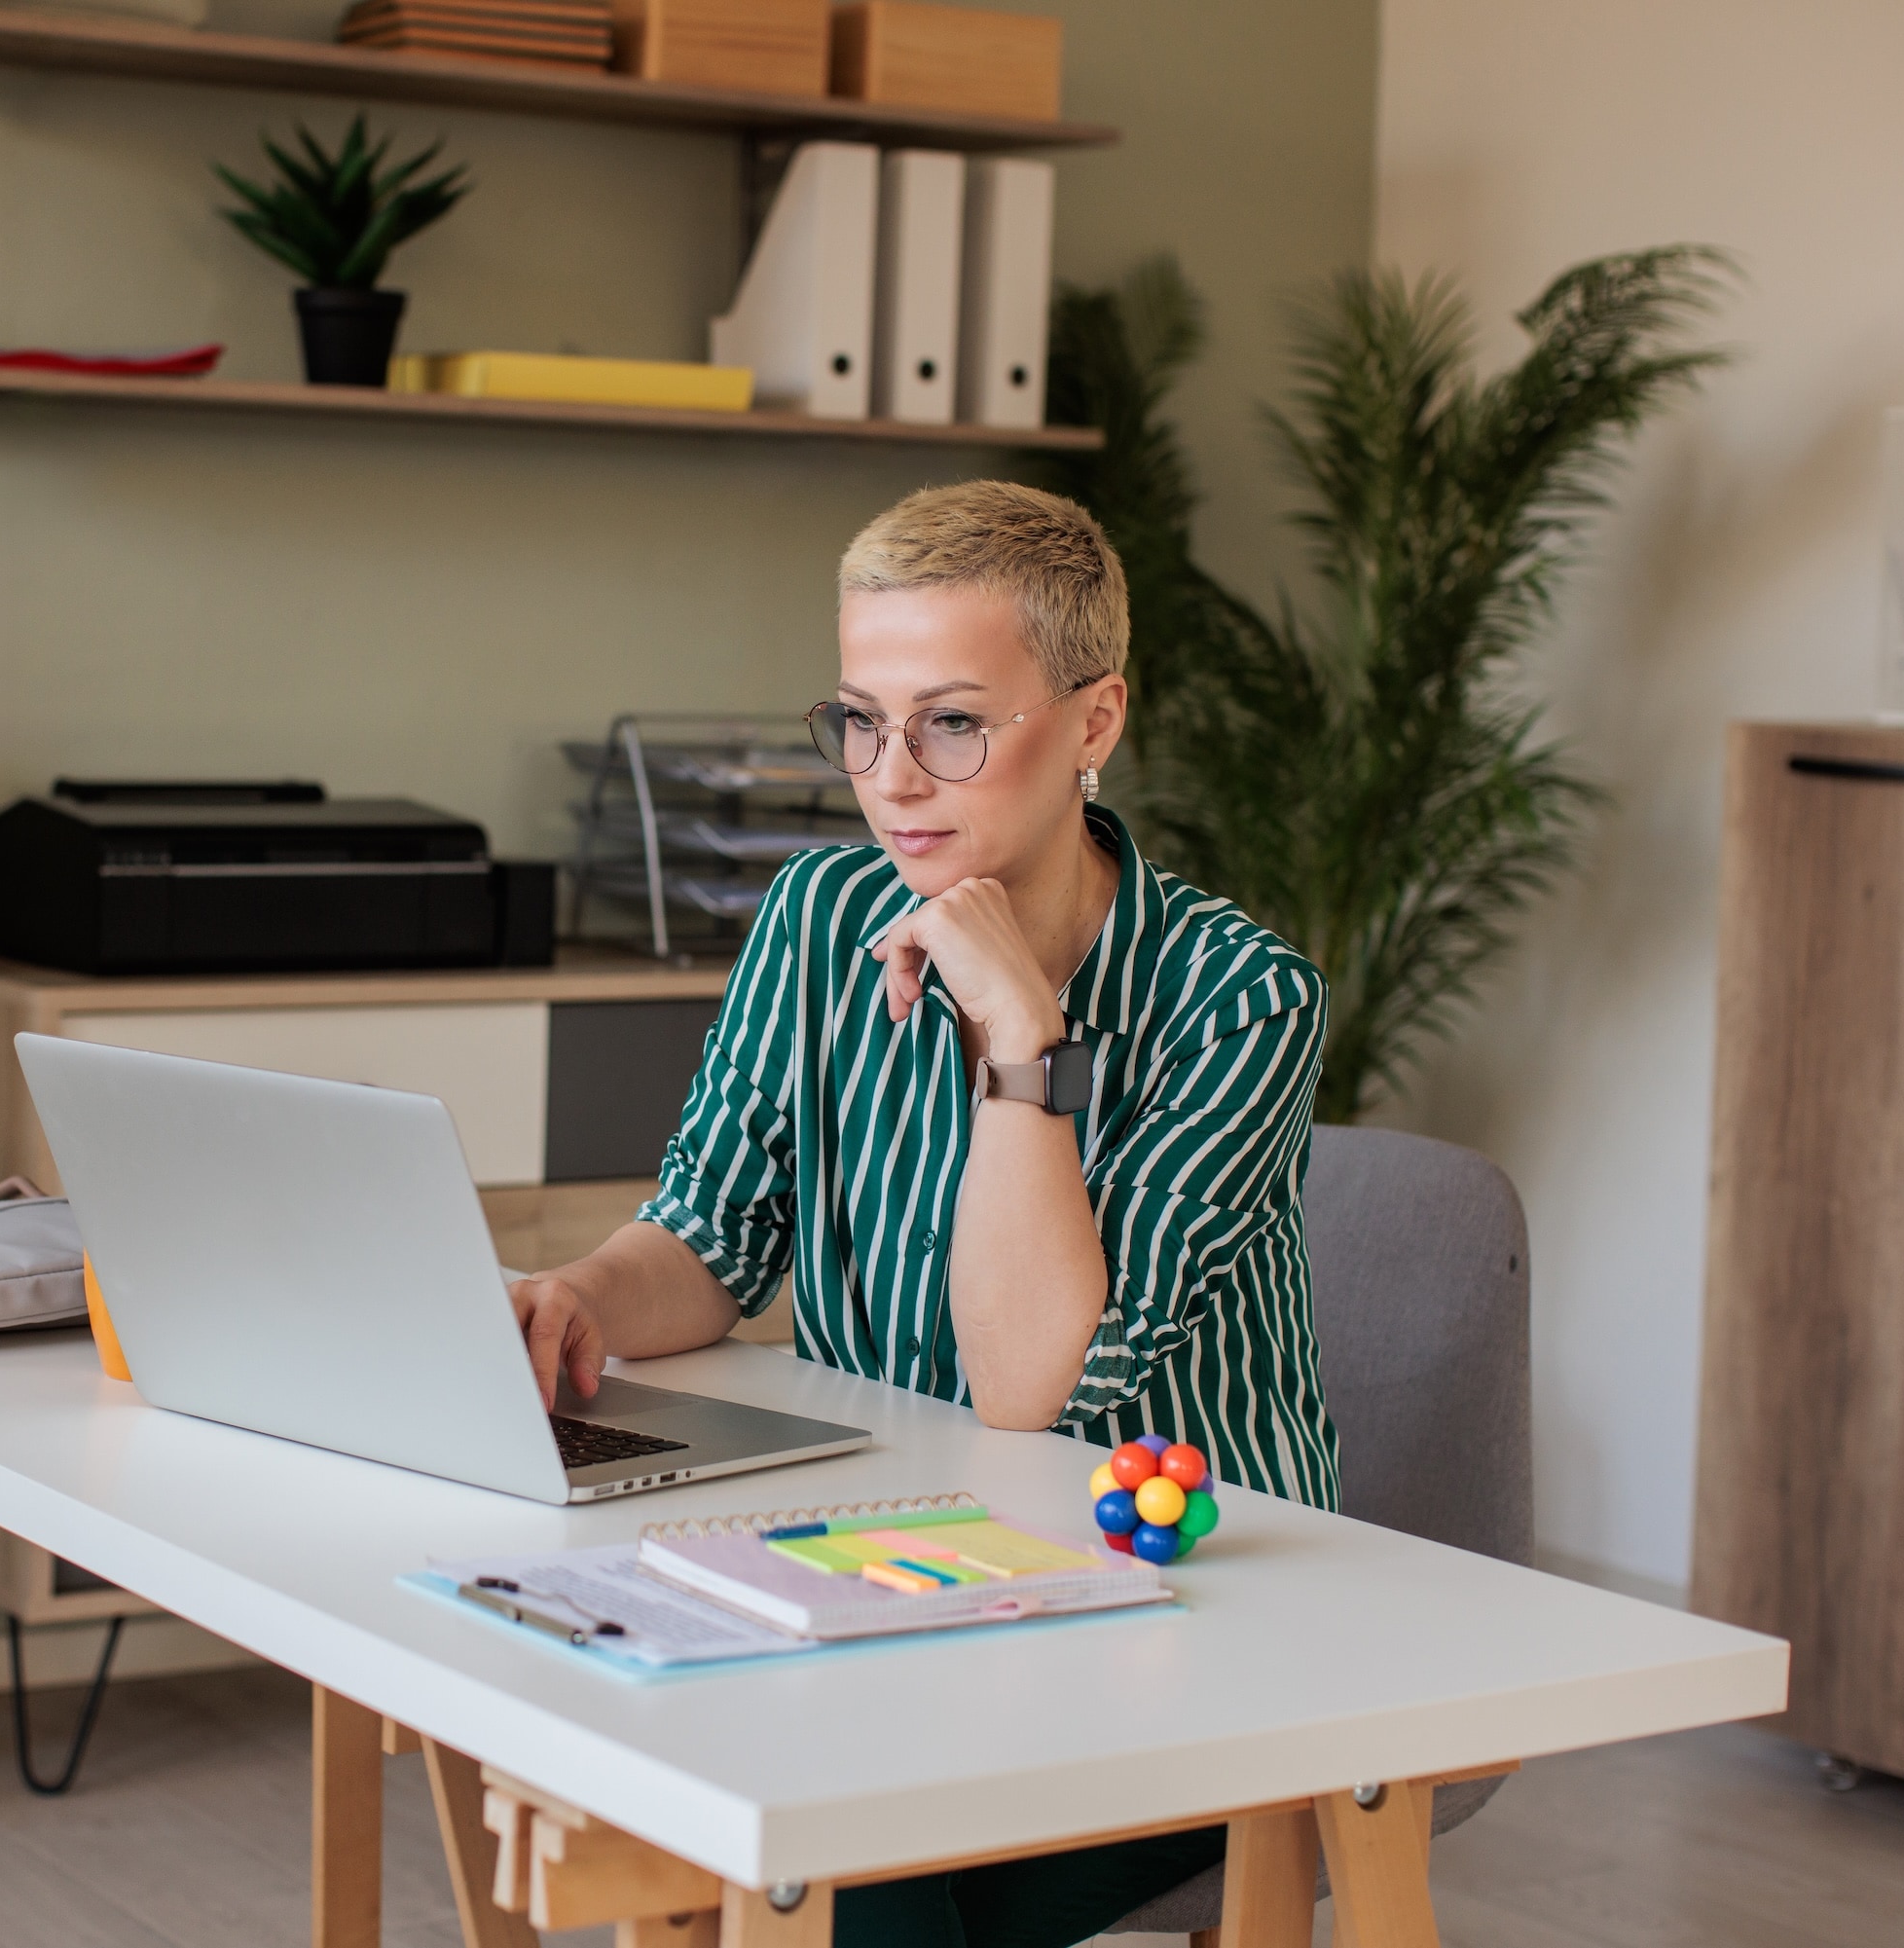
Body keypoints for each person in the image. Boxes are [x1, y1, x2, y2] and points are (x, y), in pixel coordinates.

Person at [507, 480, 1339, 1947]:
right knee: (659, 1774)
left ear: (1094, 723)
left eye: (952, 721)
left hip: (1179, 1631)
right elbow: (710, 1236)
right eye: (859, 720)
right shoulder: (822, 918)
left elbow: (1035, 1389)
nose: (892, 779)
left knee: (837, 1861)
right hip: (894, 1578)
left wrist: (1024, 1037)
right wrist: (579, 1289)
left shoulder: (1237, 999)